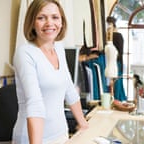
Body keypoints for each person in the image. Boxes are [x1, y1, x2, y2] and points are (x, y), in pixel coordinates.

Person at [12, 0, 88, 143]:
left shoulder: (58, 47)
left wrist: (83, 124)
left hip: (61, 134)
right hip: (32, 138)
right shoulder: (25, 53)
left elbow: (69, 90)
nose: (49, 23)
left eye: (55, 17)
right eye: (41, 18)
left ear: (62, 22)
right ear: (32, 22)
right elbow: (34, 103)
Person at [106, 16, 127, 101]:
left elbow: (120, 53)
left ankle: (117, 100)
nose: (108, 27)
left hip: (115, 63)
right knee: (115, 84)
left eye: (109, 25)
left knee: (116, 84)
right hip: (113, 62)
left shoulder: (117, 36)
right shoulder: (109, 36)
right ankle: (116, 100)